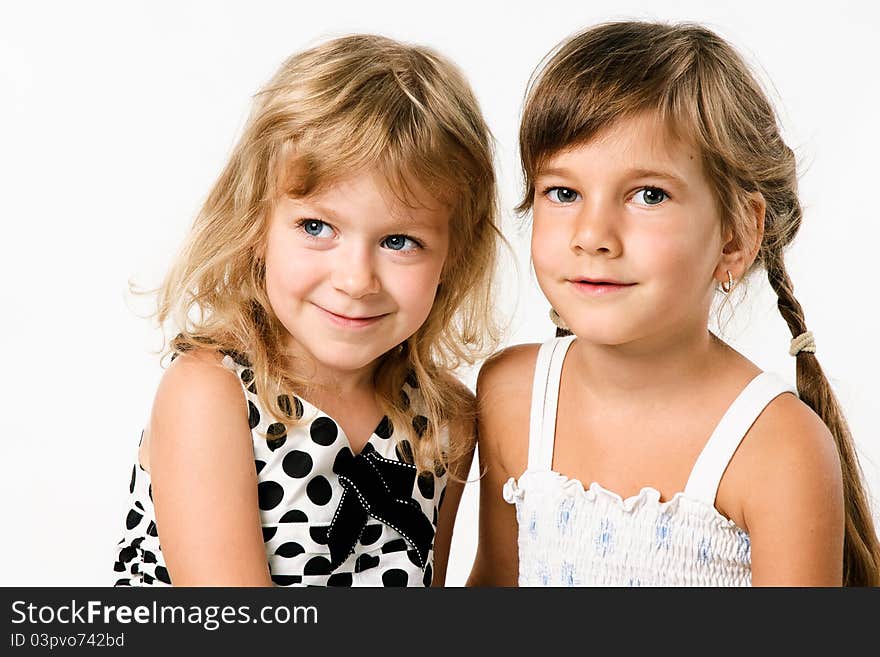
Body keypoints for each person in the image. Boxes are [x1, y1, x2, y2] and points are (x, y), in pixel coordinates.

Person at [468, 21, 880, 586]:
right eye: (563, 193)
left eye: (648, 195)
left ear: (735, 236)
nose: (593, 235)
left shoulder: (779, 448)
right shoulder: (510, 395)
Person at [113, 33, 501, 587]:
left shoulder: (446, 420)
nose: (355, 280)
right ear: (255, 227)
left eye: (400, 241)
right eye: (317, 227)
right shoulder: (212, 395)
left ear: (453, 255)